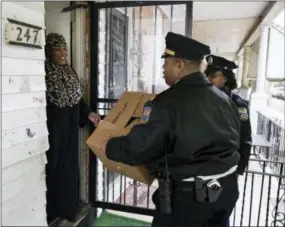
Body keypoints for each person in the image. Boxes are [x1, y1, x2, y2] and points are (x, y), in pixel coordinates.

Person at [102, 32, 240, 226]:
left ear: (180, 65)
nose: (162, 69)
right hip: (226, 191)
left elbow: (140, 148)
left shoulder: (167, 103)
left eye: (165, 63)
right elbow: (236, 139)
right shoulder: (223, 98)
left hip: (188, 200)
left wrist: (108, 144)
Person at [44, 33, 101, 223]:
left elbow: (78, 99)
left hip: (69, 129)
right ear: (49, 51)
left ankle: (68, 209)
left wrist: (89, 114)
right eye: (58, 49)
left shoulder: (69, 71)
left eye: (65, 48)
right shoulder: (44, 72)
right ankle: (52, 211)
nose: (63, 53)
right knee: (53, 167)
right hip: (53, 131)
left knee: (69, 167)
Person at [205, 55, 252, 175]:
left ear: (226, 78)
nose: (209, 79)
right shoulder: (203, 101)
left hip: (228, 167)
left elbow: (245, 139)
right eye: (208, 75)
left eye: (214, 76)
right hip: (203, 165)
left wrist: (240, 169)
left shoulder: (238, 105)